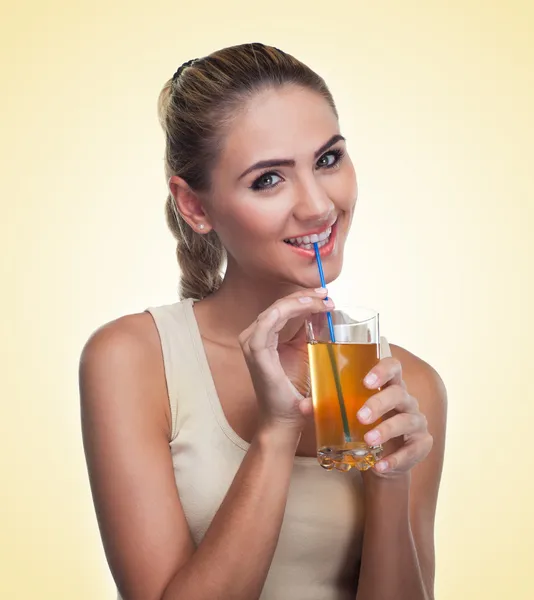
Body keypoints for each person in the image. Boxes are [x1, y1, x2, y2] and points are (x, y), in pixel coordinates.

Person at [79, 42, 447, 600]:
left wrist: (390, 478)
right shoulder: (133, 360)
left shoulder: (408, 386)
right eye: (268, 180)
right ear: (195, 207)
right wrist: (277, 432)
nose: (319, 206)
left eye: (327, 160)